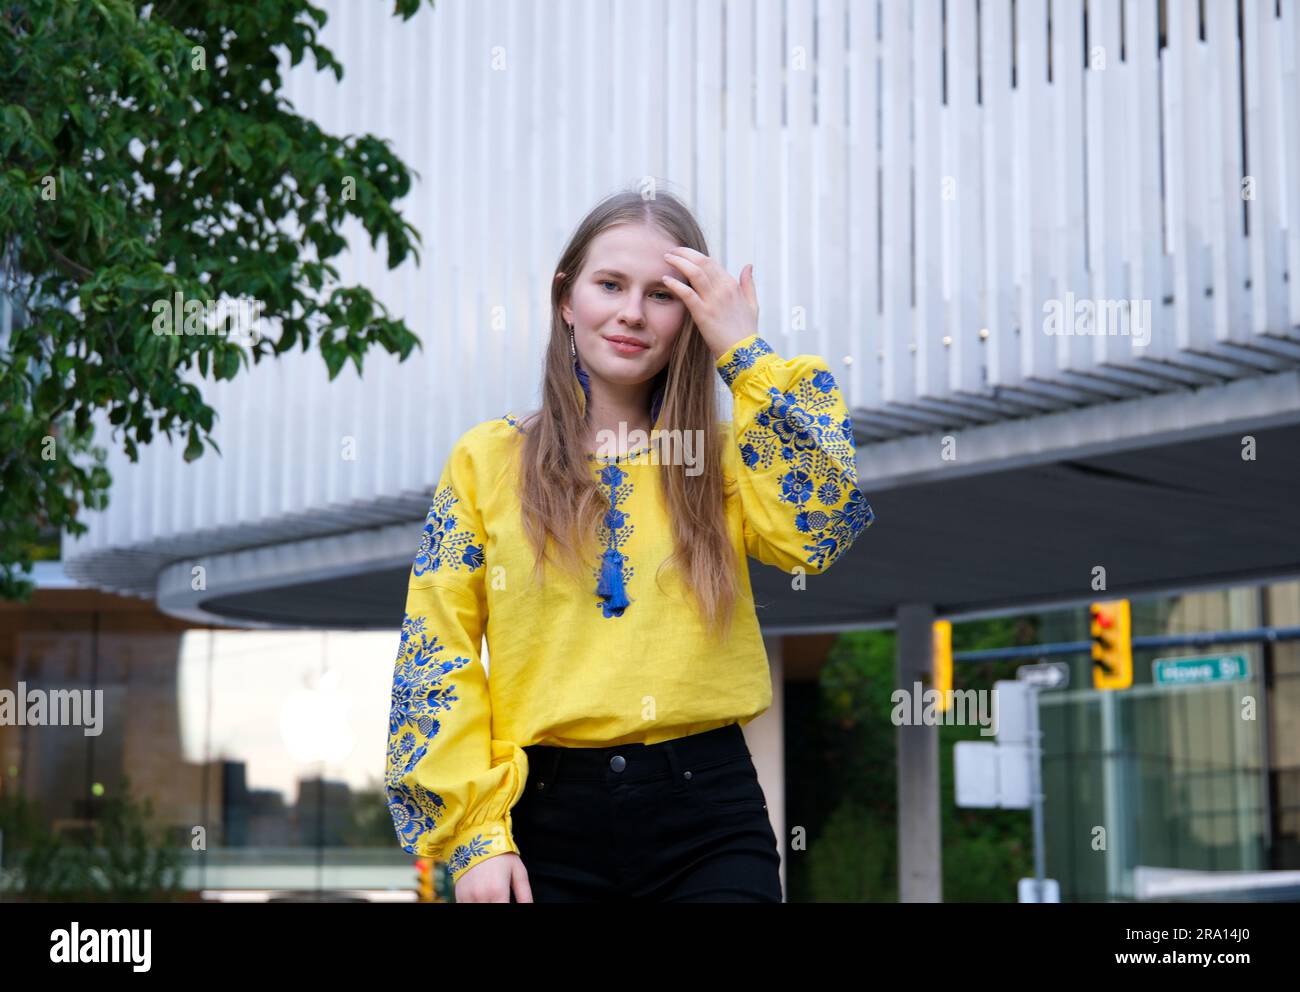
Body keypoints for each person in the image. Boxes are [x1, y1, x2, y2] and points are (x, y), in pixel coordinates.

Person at [384, 186, 875, 902]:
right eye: (609, 284)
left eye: (663, 295)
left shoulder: (726, 457)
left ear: (690, 318)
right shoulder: (486, 461)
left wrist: (743, 349)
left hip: (709, 814)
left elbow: (820, 526)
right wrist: (476, 836)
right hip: (541, 822)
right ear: (565, 298)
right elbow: (436, 653)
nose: (631, 313)